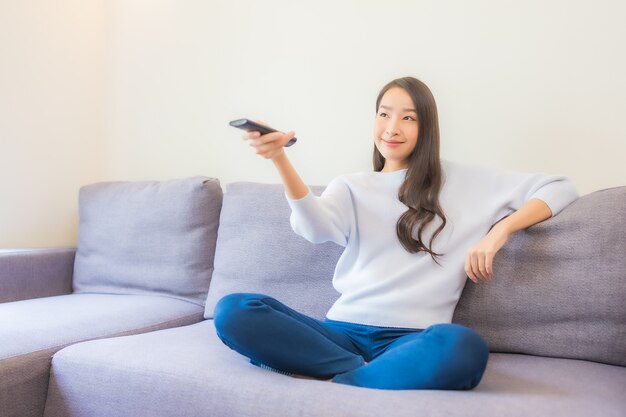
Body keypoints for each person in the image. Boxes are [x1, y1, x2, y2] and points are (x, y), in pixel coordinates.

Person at [213, 76, 578, 390]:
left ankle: (343, 380)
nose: (392, 128)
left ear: (427, 128)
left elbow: (559, 187)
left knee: (463, 346)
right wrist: (280, 158)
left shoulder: (465, 181)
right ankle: (362, 375)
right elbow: (314, 228)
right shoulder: (353, 186)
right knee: (233, 309)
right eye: (384, 114)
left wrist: (499, 231)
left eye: (408, 118)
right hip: (340, 332)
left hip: (413, 338)